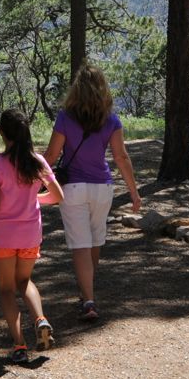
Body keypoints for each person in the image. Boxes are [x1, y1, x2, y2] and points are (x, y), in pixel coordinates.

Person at [44, 64, 141, 322]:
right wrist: (133, 192)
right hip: (102, 188)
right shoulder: (111, 119)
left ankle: (88, 300)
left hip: (73, 188)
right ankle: (86, 292)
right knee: (95, 241)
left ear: (76, 89)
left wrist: (32, 179)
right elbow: (121, 157)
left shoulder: (65, 117)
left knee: (80, 245)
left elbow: (52, 154)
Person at [0, 108, 66, 364]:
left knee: (7, 289)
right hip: (31, 234)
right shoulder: (37, 161)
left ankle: (20, 345)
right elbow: (58, 196)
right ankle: (40, 319)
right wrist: (34, 200)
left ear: (2, 132)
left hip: (4, 236)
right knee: (24, 280)